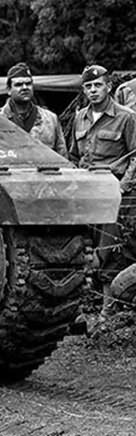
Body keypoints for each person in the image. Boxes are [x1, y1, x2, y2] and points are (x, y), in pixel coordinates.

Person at [68, 64, 136, 308]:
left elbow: (135, 156)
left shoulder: (126, 117)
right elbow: (74, 155)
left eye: (98, 85)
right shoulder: (80, 117)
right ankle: (88, 303)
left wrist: (122, 187)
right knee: (85, 246)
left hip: (113, 193)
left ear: (108, 86)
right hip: (86, 192)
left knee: (110, 248)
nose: (93, 90)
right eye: (88, 86)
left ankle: (109, 308)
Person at [0, 62, 67, 156]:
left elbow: (63, 156)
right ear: (9, 90)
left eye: (28, 83)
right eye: (18, 85)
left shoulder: (50, 119)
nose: (25, 88)